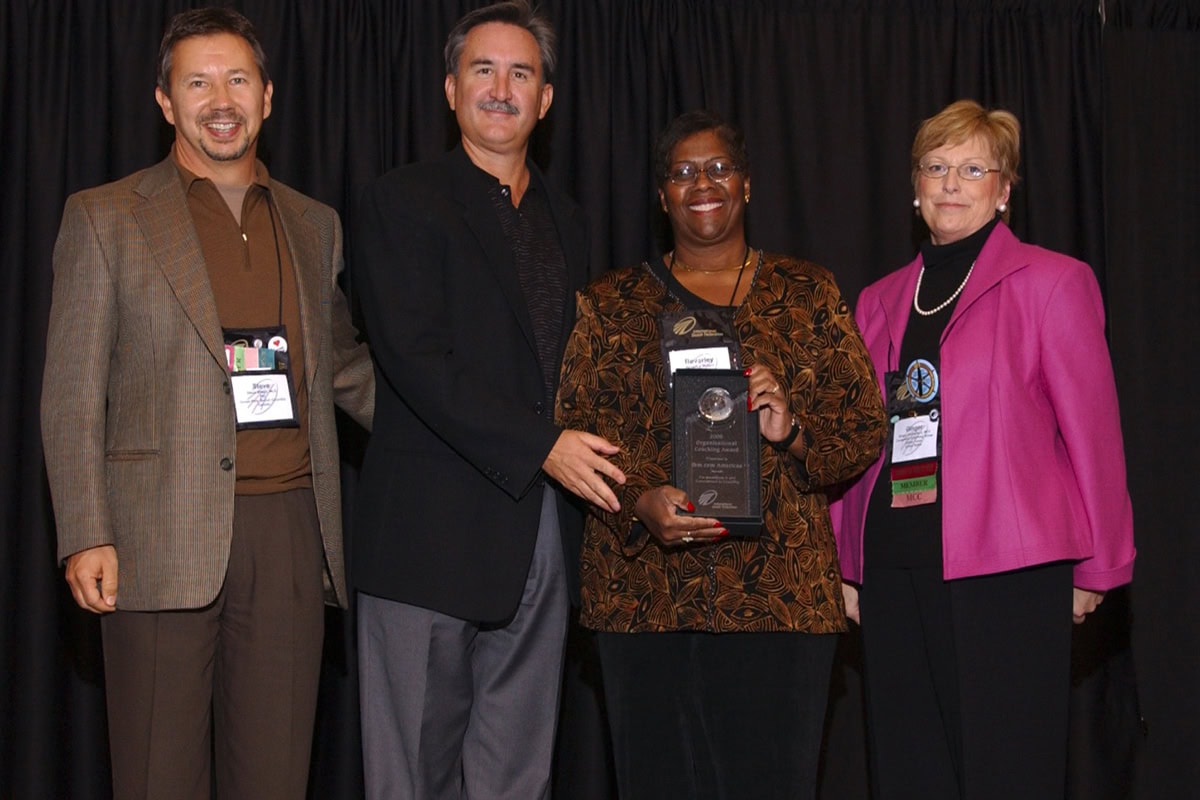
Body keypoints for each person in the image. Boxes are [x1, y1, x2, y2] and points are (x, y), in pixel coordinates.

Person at [40, 7, 374, 800]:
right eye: (196, 82)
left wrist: (467, 430)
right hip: (155, 534)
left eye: (235, 79)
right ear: (164, 100)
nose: (218, 99)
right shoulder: (104, 216)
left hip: (291, 534)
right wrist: (85, 532)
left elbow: (344, 369)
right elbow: (70, 390)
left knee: (275, 777)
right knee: (158, 778)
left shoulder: (314, 223)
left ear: (266, 97)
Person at [555, 109, 887, 800]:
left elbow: (861, 425)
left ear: (746, 184)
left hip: (782, 602)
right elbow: (576, 427)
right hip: (643, 598)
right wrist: (636, 502)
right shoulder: (609, 303)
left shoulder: (807, 292)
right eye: (681, 172)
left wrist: (792, 431)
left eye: (717, 168)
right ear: (661, 194)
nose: (701, 183)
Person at [350, 2, 625, 797]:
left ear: (545, 99)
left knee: (516, 776)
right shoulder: (399, 201)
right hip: (426, 543)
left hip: (543, 535)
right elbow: (415, 358)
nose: (501, 89)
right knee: (411, 777)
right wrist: (543, 445)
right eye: (483, 70)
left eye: (521, 73)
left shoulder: (567, 220)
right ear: (449, 89)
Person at [830, 99, 1136, 799]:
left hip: (1007, 570)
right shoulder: (877, 300)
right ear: (914, 186)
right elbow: (859, 437)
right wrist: (846, 560)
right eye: (935, 167)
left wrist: (1099, 566)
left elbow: (1094, 433)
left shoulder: (1054, 282)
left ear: (1003, 190)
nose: (950, 183)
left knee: (1005, 772)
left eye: (972, 168)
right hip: (894, 566)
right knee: (908, 771)